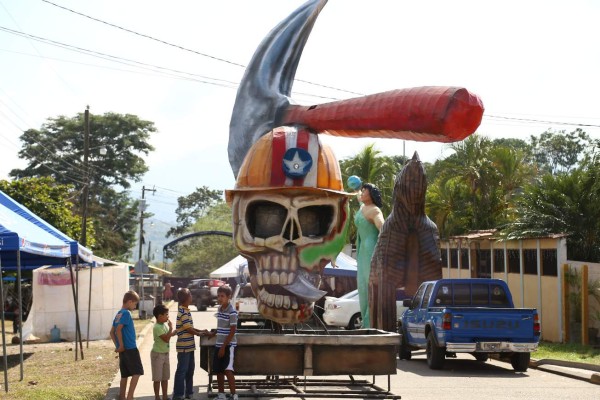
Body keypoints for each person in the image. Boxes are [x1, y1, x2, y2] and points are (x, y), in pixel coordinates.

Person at [354, 182, 384, 328]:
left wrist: (381, 249)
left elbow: (383, 228)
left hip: (371, 249)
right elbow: (357, 195)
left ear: (371, 194)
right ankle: (366, 323)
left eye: (365, 190)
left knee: (368, 285)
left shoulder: (375, 211)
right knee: (361, 286)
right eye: (362, 190)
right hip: (361, 251)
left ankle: (369, 322)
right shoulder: (362, 207)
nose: (362, 192)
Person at [202, 285, 238, 400]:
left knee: (228, 370)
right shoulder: (219, 309)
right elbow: (222, 326)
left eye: (222, 296)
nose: (220, 298)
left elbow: (232, 331)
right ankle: (221, 395)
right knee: (218, 371)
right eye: (218, 296)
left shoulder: (232, 312)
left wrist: (223, 347)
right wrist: (213, 333)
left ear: (229, 297)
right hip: (219, 345)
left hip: (228, 346)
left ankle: (234, 395)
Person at [110, 290, 143, 400]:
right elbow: (118, 330)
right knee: (137, 372)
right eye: (134, 304)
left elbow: (112, 332)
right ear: (129, 302)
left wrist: (118, 346)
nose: (135, 306)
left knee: (124, 375)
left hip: (123, 350)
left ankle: (122, 396)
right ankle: (130, 396)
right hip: (130, 348)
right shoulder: (126, 313)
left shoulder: (119, 313)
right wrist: (122, 345)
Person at [172, 288, 202, 400]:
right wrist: (199, 334)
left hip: (190, 346)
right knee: (182, 370)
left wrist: (200, 331)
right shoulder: (183, 312)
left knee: (190, 369)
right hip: (184, 347)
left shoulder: (186, 310)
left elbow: (190, 327)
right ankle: (178, 394)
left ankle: (189, 392)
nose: (192, 297)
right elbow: (188, 329)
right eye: (190, 295)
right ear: (187, 298)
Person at [151, 304, 175, 400]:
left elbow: (167, 336)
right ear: (160, 316)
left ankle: (165, 396)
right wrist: (171, 329)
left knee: (165, 377)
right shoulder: (157, 327)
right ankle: (157, 397)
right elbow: (165, 339)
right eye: (166, 314)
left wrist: (173, 333)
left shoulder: (163, 325)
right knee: (157, 378)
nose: (168, 316)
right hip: (158, 354)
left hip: (165, 353)